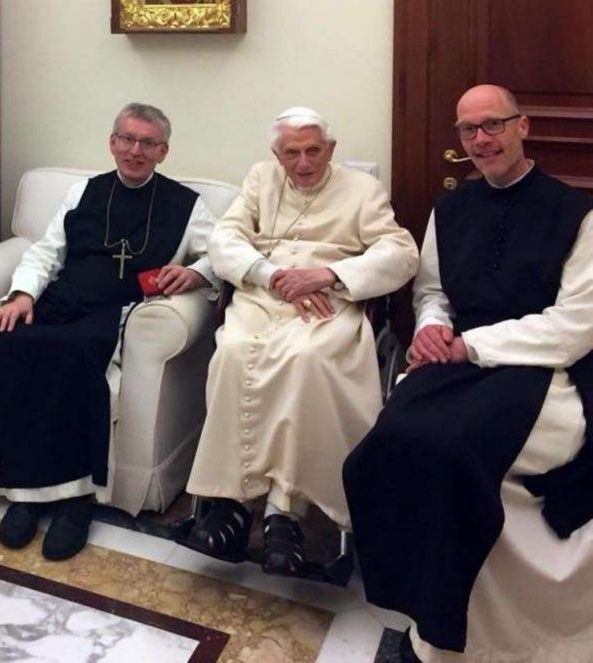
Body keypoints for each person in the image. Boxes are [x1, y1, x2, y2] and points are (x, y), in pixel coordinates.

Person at [344, 84, 593, 662]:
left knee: (450, 451)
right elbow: (432, 291)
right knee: (382, 445)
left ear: (523, 126)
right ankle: (410, 610)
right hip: (458, 358)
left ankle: (447, 636)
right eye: (468, 130)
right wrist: (431, 326)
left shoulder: (576, 212)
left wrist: (469, 346)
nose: (481, 140)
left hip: (543, 368)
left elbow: (576, 325)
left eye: (493, 125)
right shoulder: (450, 208)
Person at [0, 103, 218, 560]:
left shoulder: (187, 205)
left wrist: (198, 273)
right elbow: (46, 252)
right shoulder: (83, 192)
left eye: (148, 143)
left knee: (72, 356)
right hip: (62, 298)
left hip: (116, 310)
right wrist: (23, 294)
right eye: (126, 139)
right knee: (0, 341)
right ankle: (24, 494)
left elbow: (219, 254)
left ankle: (75, 501)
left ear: (163, 151)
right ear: (112, 142)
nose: (135, 151)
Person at [184, 107, 418, 575]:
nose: (304, 162)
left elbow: (401, 251)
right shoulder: (260, 179)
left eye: (314, 150)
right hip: (262, 296)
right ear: (278, 155)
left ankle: (283, 509)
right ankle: (229, 499)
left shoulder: (362, 189)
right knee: (232, 351)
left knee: (305, 357)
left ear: (330, 150)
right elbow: (225, 238)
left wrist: (329, 274)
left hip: (328, 302)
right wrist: (269, 276)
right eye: (292, 152)